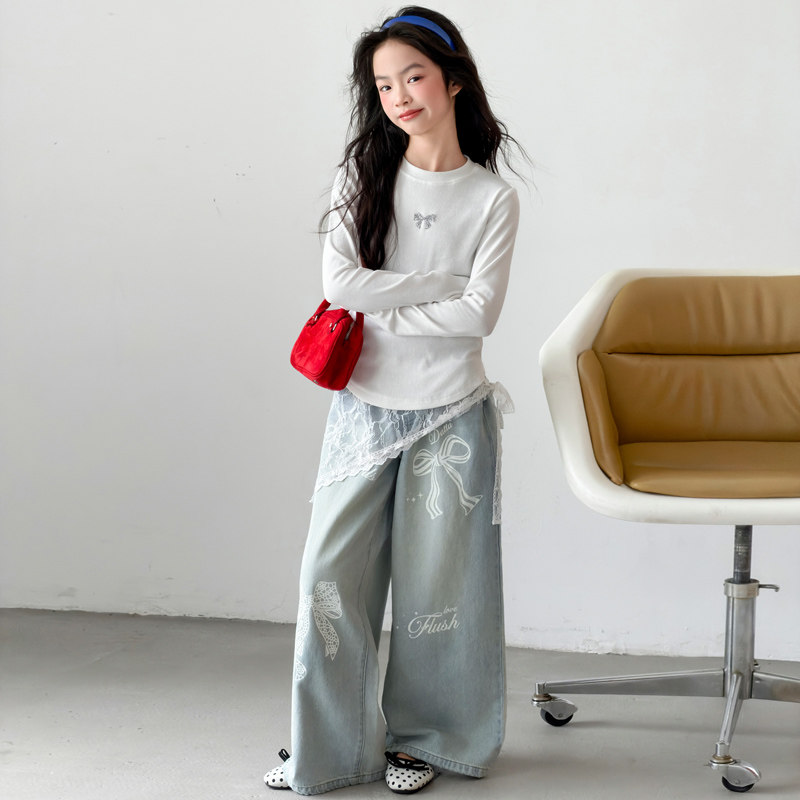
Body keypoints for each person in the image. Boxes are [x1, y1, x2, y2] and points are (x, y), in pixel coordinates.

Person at [266, 6, 523, 795]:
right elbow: (342, 286)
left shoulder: (492, 199)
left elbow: (479, 317)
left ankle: (428, 741)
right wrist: (439, 285)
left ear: (453, 80)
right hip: (365, 407)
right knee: (329, 577)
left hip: (451, 411)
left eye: (413, 76)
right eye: (384, 85)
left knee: (438, 592)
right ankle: (330, 745)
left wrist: (395, 301)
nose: (400, 96)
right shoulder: (363, 177)